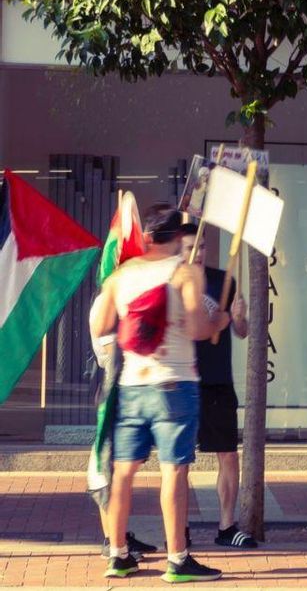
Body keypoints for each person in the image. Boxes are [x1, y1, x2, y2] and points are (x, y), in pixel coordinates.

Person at [89, 205, 226, 582]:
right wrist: (220, 320)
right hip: (175, 384)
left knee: (123, 471)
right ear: (179, 237)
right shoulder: (185, 272)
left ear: (147, 237)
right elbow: (198, 329)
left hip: (131, 385)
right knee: (174, 471)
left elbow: (101, 325)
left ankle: (118, 555)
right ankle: (178, 560)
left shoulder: (122, 274)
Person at [178, 223, 256, 550]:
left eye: (201, 246)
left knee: (227, 454)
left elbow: (242, 331)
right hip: (182, 380)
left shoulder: (224, 281)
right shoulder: (172, 282)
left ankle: (227, 526)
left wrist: (238, 318)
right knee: (179, 461)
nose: (197, 253)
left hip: (218, 380)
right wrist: (217, 321)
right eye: (189, 247)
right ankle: (179, 530)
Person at [89, 295, 158, 562]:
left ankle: (120, 535)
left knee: (123, 464)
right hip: (115, 391)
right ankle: (112, 541)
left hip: (131, 389)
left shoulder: (129, 294)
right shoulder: (106, 301)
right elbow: (110, 352)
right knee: (105, 467)